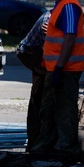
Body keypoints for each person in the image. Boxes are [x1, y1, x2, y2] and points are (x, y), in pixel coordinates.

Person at [29, 0, 84, 160]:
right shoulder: (61, 5)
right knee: (49, 109)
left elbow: (69, 39)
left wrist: (60, 67)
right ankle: (45, 146)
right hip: (56, 68)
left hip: (66, 70)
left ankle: (67, 149)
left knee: (65, 110)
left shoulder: (69, 6)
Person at [16, 9, 52, 152]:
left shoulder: (65, 18)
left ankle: (40, 140)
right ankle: (34, 142)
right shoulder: (47, 20)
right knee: (38, 98)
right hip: (31, 54)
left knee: (47, 97)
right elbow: (49, 50)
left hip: (44, 55)